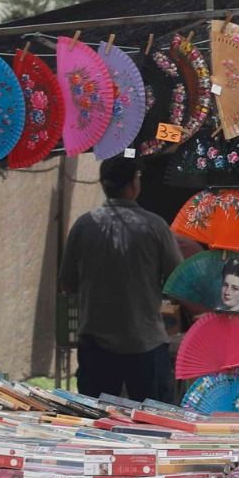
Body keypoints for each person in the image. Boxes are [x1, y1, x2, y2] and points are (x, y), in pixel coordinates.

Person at [60, 157, 184, 402]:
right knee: (153, 423)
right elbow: (178, 280)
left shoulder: (84, 226)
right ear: (133, 185)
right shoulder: (155, 227)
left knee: (96, 424)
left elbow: (67, 283)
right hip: (146, 342)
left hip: (96, 344)